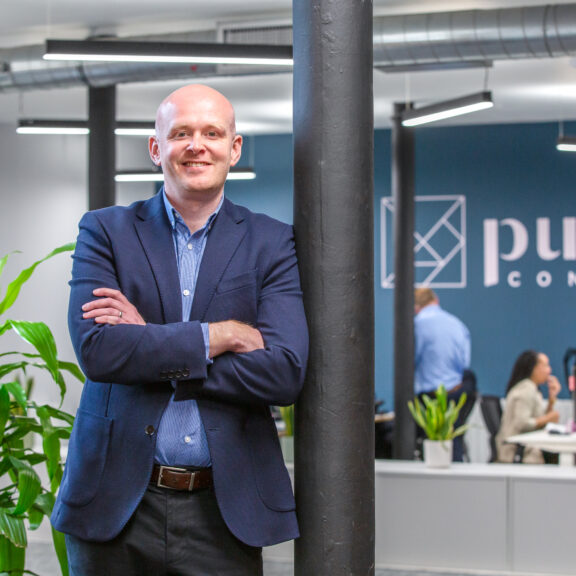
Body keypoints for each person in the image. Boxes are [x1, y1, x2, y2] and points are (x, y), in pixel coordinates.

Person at [50, 84, 309, 576]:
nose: (197, 145)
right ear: (156, 149)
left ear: (234, 148)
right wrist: (218, 336)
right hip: (115, 504)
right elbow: (100, 352)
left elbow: (283, 374)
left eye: (212, 132)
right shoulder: (105, 231)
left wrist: (150, 339)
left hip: (223, 510)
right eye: (181, 133)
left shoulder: (271, 243)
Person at [413, 287, 475, 462]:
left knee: (431, 446)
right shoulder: (457, 324)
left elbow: (411, 360)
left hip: (429, 399)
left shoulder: (417, 325)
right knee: (453, 442)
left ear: (416, 307)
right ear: (436, 300)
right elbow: (465, 363)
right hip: (457, 394)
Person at [496, 350, 561, 464]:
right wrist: (549, 417)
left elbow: (541, 422)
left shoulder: (533, 389)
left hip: (526, 449)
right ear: (534, 368)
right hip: (519, 453)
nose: (549, 370)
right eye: (545, 365)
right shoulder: (526, 390)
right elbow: (522, 423)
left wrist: (551, 400)